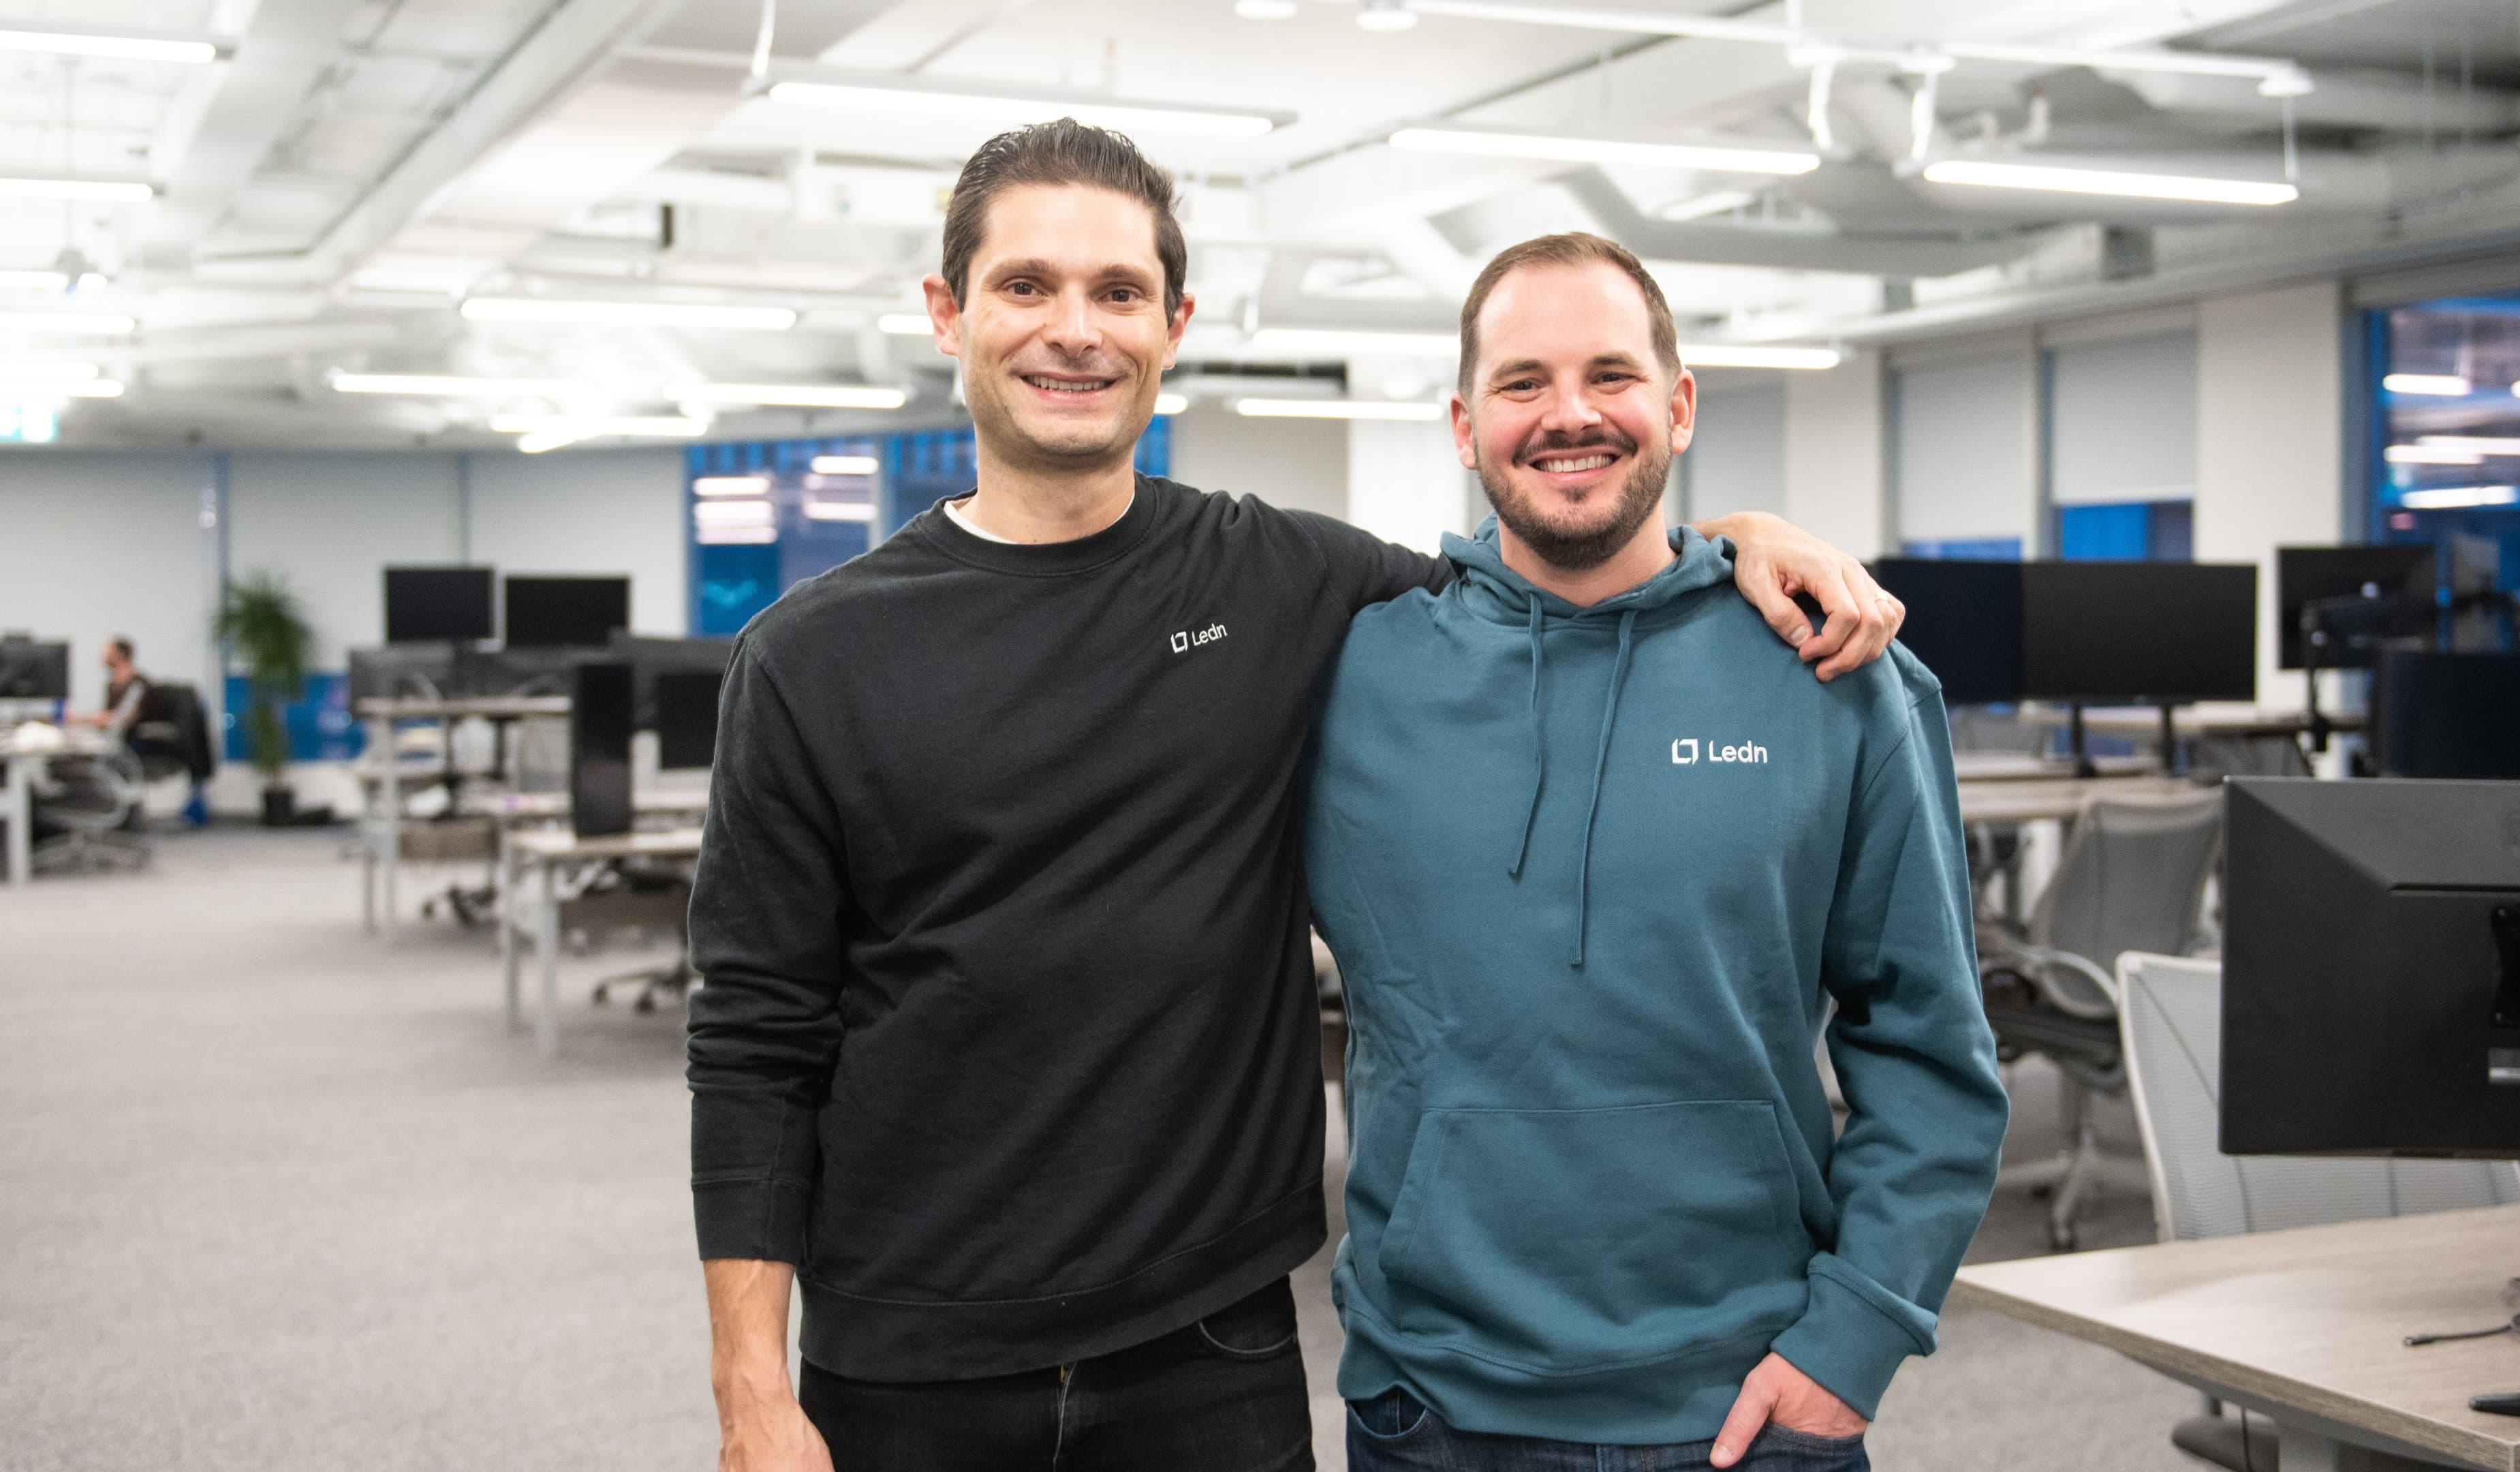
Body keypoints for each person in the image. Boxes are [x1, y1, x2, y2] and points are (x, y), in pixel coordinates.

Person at [686, 121, 1906, 1472]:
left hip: (1212, 1342)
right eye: (1027, 287)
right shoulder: (809, 658)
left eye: (1118, 292)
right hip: (911, 1352)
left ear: (1174, 322)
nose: (1075, 331)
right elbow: (754, 1037)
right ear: (946, 313)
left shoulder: (1285, 581)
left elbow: (1554, 565)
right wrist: (751, 1386)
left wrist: (1733, 541)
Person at [1298, 233, 2008, 1472]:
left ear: (1677, 407)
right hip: (1435, 1410)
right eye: (1522, 383)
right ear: (1464, 426)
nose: (1569, 415)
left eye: (1610, 376)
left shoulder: (1838, 675)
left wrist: (1855, 1343)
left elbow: (1931, 1047)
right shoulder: (1344, 678)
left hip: (1746, 1405)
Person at [80, 637, 145, 735]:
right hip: (112, 738)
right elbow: (107, 716)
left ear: (121, 654)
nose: (104, 654)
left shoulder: (138, 684)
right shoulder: (112, 685)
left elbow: (122, 719)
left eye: (108, 650)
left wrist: (84, 719)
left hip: (131, 743)